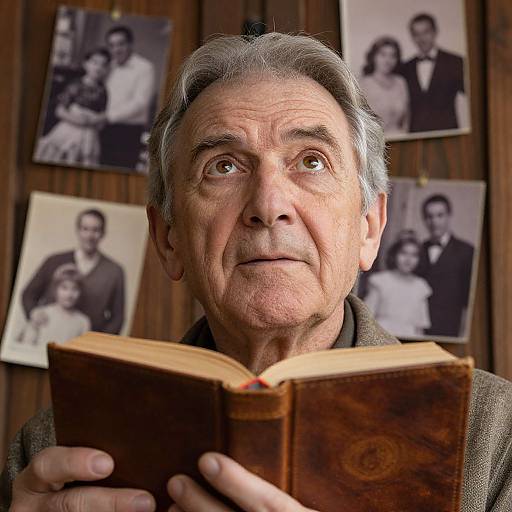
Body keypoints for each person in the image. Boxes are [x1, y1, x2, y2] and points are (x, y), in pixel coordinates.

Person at [1, 33, 511, 512]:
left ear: (370, 227)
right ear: (167, 238)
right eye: (223, 166)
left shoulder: (498, 437)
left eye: (311, 161)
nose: (269, 205)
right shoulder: (52, 450)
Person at [21, 209, 125, 334]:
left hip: (87, 341)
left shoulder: (114, 271)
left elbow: (117, 318)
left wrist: (98, 344)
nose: (90, 236)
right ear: (78, 230)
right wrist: (34, 313)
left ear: (103, 233)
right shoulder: (54, 261)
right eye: (85, 229)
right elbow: (28, 295)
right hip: (49, 335)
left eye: (96, 230)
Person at [34, 48, 111, 166]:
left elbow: (103, 114)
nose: (98, 68)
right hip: (70, 127)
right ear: (86, 64)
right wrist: (78, 120)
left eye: (103, 65)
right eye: (95, 62)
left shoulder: (103, 91)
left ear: (107, 69)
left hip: (89, 134)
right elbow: (59, 111)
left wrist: (97, 120)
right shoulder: (75, 85)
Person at [415, 194, 474, 338]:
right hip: (417, 327)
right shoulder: (416, 250)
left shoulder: (467, 251)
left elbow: (468, 299)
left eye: (440, 215)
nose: (434, 221)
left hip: (449, 329)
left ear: (449, 216)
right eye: (429, 216)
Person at [99, 25, 155, 170]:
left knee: (120, 171)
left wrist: (107, 117)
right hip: (103, 127)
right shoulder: (108, 67)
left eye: (121, 44)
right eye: (111, 45)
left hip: (127, 132)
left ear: (130, 44)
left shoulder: (144, 67)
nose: (116, 49)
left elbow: (140, 102)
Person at [400, 13, 466, 132]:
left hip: (449, 133)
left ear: (435, 32)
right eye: (416, 34)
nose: (421, 38)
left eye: (426, 32)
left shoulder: (455, 62)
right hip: (415, 135)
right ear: (412, 37)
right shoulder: (405, 68)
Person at [364, 235, 431, 337]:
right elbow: (366, 317)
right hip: (382, 334)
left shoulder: (421, 286)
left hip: (409, 337)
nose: (408, 259)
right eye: (403, 253)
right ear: (394, 254)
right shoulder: (381, 281)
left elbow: (419, 327)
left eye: (414, 255)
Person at [16, 264, 91, 355]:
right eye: (64, 288)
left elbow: (82, 354)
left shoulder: (83, 322)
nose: (69, 294)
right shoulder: (42, 314)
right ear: (55, 289)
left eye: (75, 289)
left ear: (81, 292)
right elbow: (26, 346)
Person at [359, 37, 409, 135]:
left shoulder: (401, 82)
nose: (388, 60)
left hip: (400, 138)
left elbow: (407, 118)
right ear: (373, 56)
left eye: (393, 56)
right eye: (383, 54)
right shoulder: (363, 84)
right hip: (375, 142)